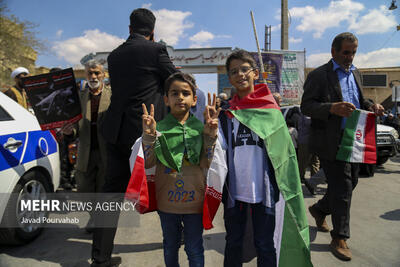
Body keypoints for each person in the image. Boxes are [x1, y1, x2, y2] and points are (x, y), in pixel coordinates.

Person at [91, 8, 176, 267]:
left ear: (129, 29)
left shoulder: (115, 55)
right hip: (144, 132)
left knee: (110, 194)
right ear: (152, 32)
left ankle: (100, 259)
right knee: (165, 186)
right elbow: (174, 82)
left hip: (115, 131)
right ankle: (176, 241)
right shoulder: (156, 50)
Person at [218, 50, 311, 267]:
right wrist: (209, 131)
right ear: (229, 78)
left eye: (244, 69)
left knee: (265, 244)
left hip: (266, 191)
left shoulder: (271, 112)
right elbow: (218, 151)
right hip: (234, 191)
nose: (240, 74)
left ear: (256, 73)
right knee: (233, 242)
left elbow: (285, 155)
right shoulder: (226, 114)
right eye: (234, 71)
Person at [301, 32, 384, 261]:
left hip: (355, 139)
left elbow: (360, 101)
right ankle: (340, 237)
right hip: (331, 142)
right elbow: (306, 106)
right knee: (343, 187)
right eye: (346, 52)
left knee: (350, 183)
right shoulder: (319, 75)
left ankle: (319, 209)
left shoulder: (355, 73)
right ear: (334, 51)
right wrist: (331, 108)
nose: (350, 57)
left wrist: (372, 105)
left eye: (354, 52)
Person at [141, 72, 219, 267]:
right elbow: (148, 163)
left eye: (186, 93)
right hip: (167, 204)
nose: (180, 97)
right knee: (170, 245)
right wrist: (149, 135)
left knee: (194, 248)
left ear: (194, 99)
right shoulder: (159, 128)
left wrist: (210, 137)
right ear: (166, 100)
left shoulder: (201, 128)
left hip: (195, 201)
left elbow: (206, 163)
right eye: (174, 93)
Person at [62, 60, 111, 232]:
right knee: (84, 190)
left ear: (103, 74)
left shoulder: (113, 96)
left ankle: (99, 223)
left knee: (103, 190)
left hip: (106, 153)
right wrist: (70, 131)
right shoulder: (79, 97)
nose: (93, 76)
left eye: (97, 73)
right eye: (90, 73)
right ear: (86, 75)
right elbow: (75, 125)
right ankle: (94, 217)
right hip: (85, 152)